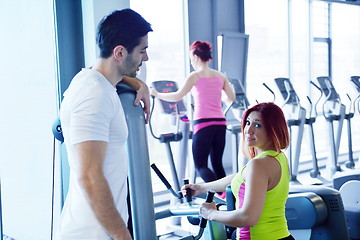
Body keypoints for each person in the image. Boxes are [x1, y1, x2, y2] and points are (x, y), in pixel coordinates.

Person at [56, 9, 152, 240]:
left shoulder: (95, 82)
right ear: (119, 52)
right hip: (91, 234)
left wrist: (139, 83)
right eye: (142, 51)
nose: (146, 58)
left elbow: (98, 71)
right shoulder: (93, 95)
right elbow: (89, 176)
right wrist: (123, 236)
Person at [182, 102, 295, 240]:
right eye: (248, 123)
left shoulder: (258, 164)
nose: (248, 130)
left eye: (257, 125)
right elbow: (240, 177)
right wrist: (201, 188)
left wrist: (210, 213)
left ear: (273, 129)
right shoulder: (278, 157)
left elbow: (248, 218)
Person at [151, 41, 236, 188]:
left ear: (196, 56)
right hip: (220, 123)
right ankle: (229, 196)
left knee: (201, 165)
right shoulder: (220, 76)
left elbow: (177, 96)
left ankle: (221, 193)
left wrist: (157, 94)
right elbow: (231, 98)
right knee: (217, 164)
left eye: (191, 57)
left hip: (204, 123)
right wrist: (216, 96)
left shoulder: (195, 76)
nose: (191, 61)